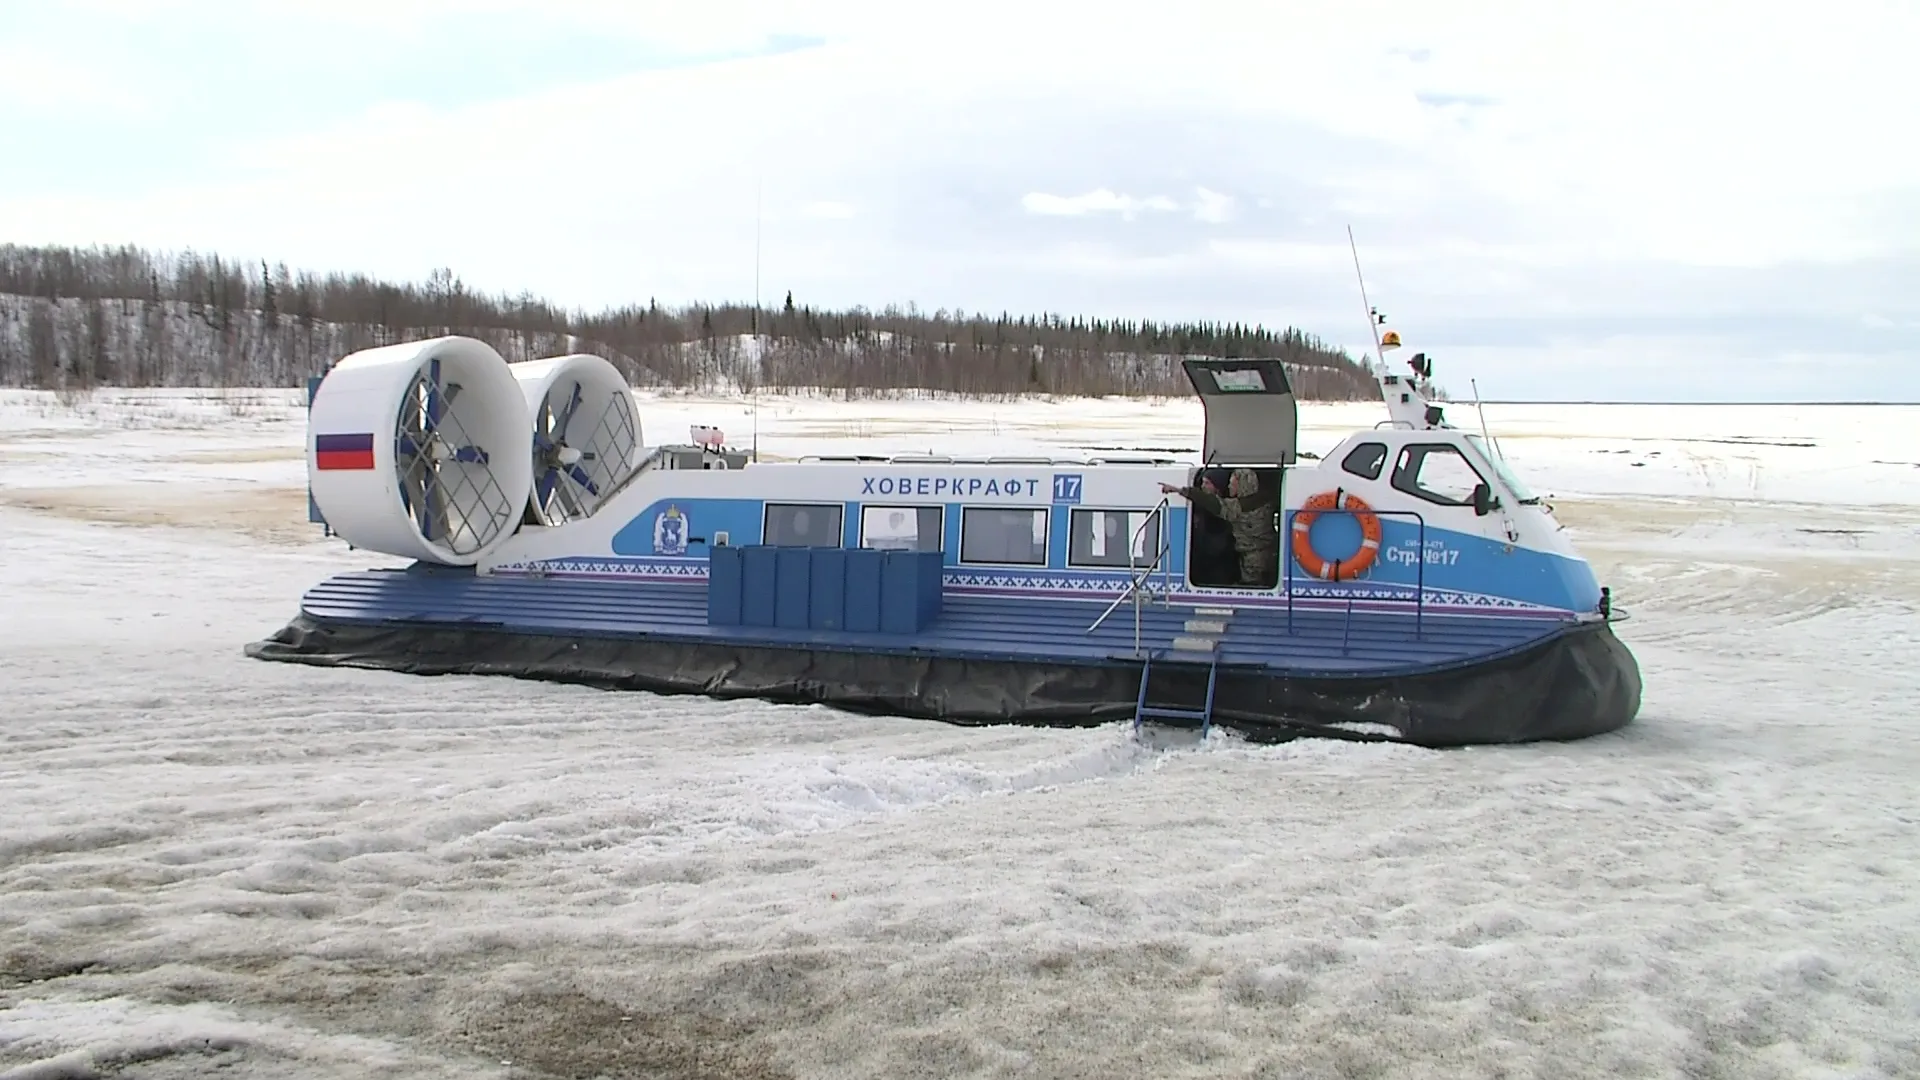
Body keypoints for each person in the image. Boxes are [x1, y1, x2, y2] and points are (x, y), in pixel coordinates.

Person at [1160, 468, 1276, 587]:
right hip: (1265, 556)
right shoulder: (1264, 500)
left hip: (1253, 561)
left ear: (1242, 485)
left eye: (1233, 484)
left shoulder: (1242, 507)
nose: (1229, 487)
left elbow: (1216, 505)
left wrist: (1179, 490)